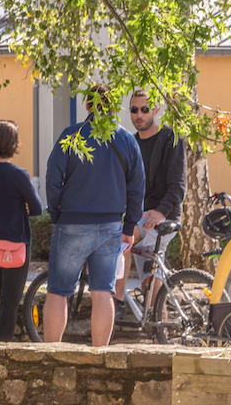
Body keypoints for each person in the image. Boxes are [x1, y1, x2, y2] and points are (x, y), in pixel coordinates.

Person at [44, 84, 145, 346]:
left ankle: (51, 354)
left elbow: (53, 179)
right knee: (103, 292)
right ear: (114, 107)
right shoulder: (127, 139)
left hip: (72, 222)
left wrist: (56, 214)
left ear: (87, 105)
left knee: (58, 292)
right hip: (111, 226)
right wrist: (130, 224)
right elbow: (137, 187)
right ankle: (99, 355)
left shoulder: (71, 135)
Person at [113, 89, 187, 321]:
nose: (139, 115)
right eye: (134, 110)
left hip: (162, 217)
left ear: (155, 110)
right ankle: (161, 333)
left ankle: (116, 301)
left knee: (123, 240)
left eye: (144, 109)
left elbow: (179, 185)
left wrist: (162, 210)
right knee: (150, 284)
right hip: (140, 218)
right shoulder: (130, 142)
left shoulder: (170, 139)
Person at [0, 120, 43, 341]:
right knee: (11, 303)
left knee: (5, 300)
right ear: (13, 144)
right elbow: (37, 209)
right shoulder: (19, 174)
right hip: (16, 244)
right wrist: (23, 204)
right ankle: (1, 352)